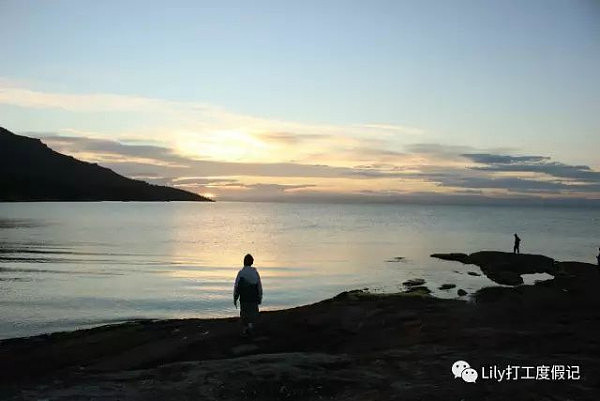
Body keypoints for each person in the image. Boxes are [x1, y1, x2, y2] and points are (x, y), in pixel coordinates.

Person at [233, 254, 263, 337]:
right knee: (253, 314)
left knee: (244, 314)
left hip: (244, 298)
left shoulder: (241, 273)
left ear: (244, 262)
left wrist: (235, 298)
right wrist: (260, 297)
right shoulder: (255, 273)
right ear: (252, 262)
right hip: (253, 298)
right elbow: (259, 287)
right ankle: (250, 326)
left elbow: (236, 286)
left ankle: (246, 328)